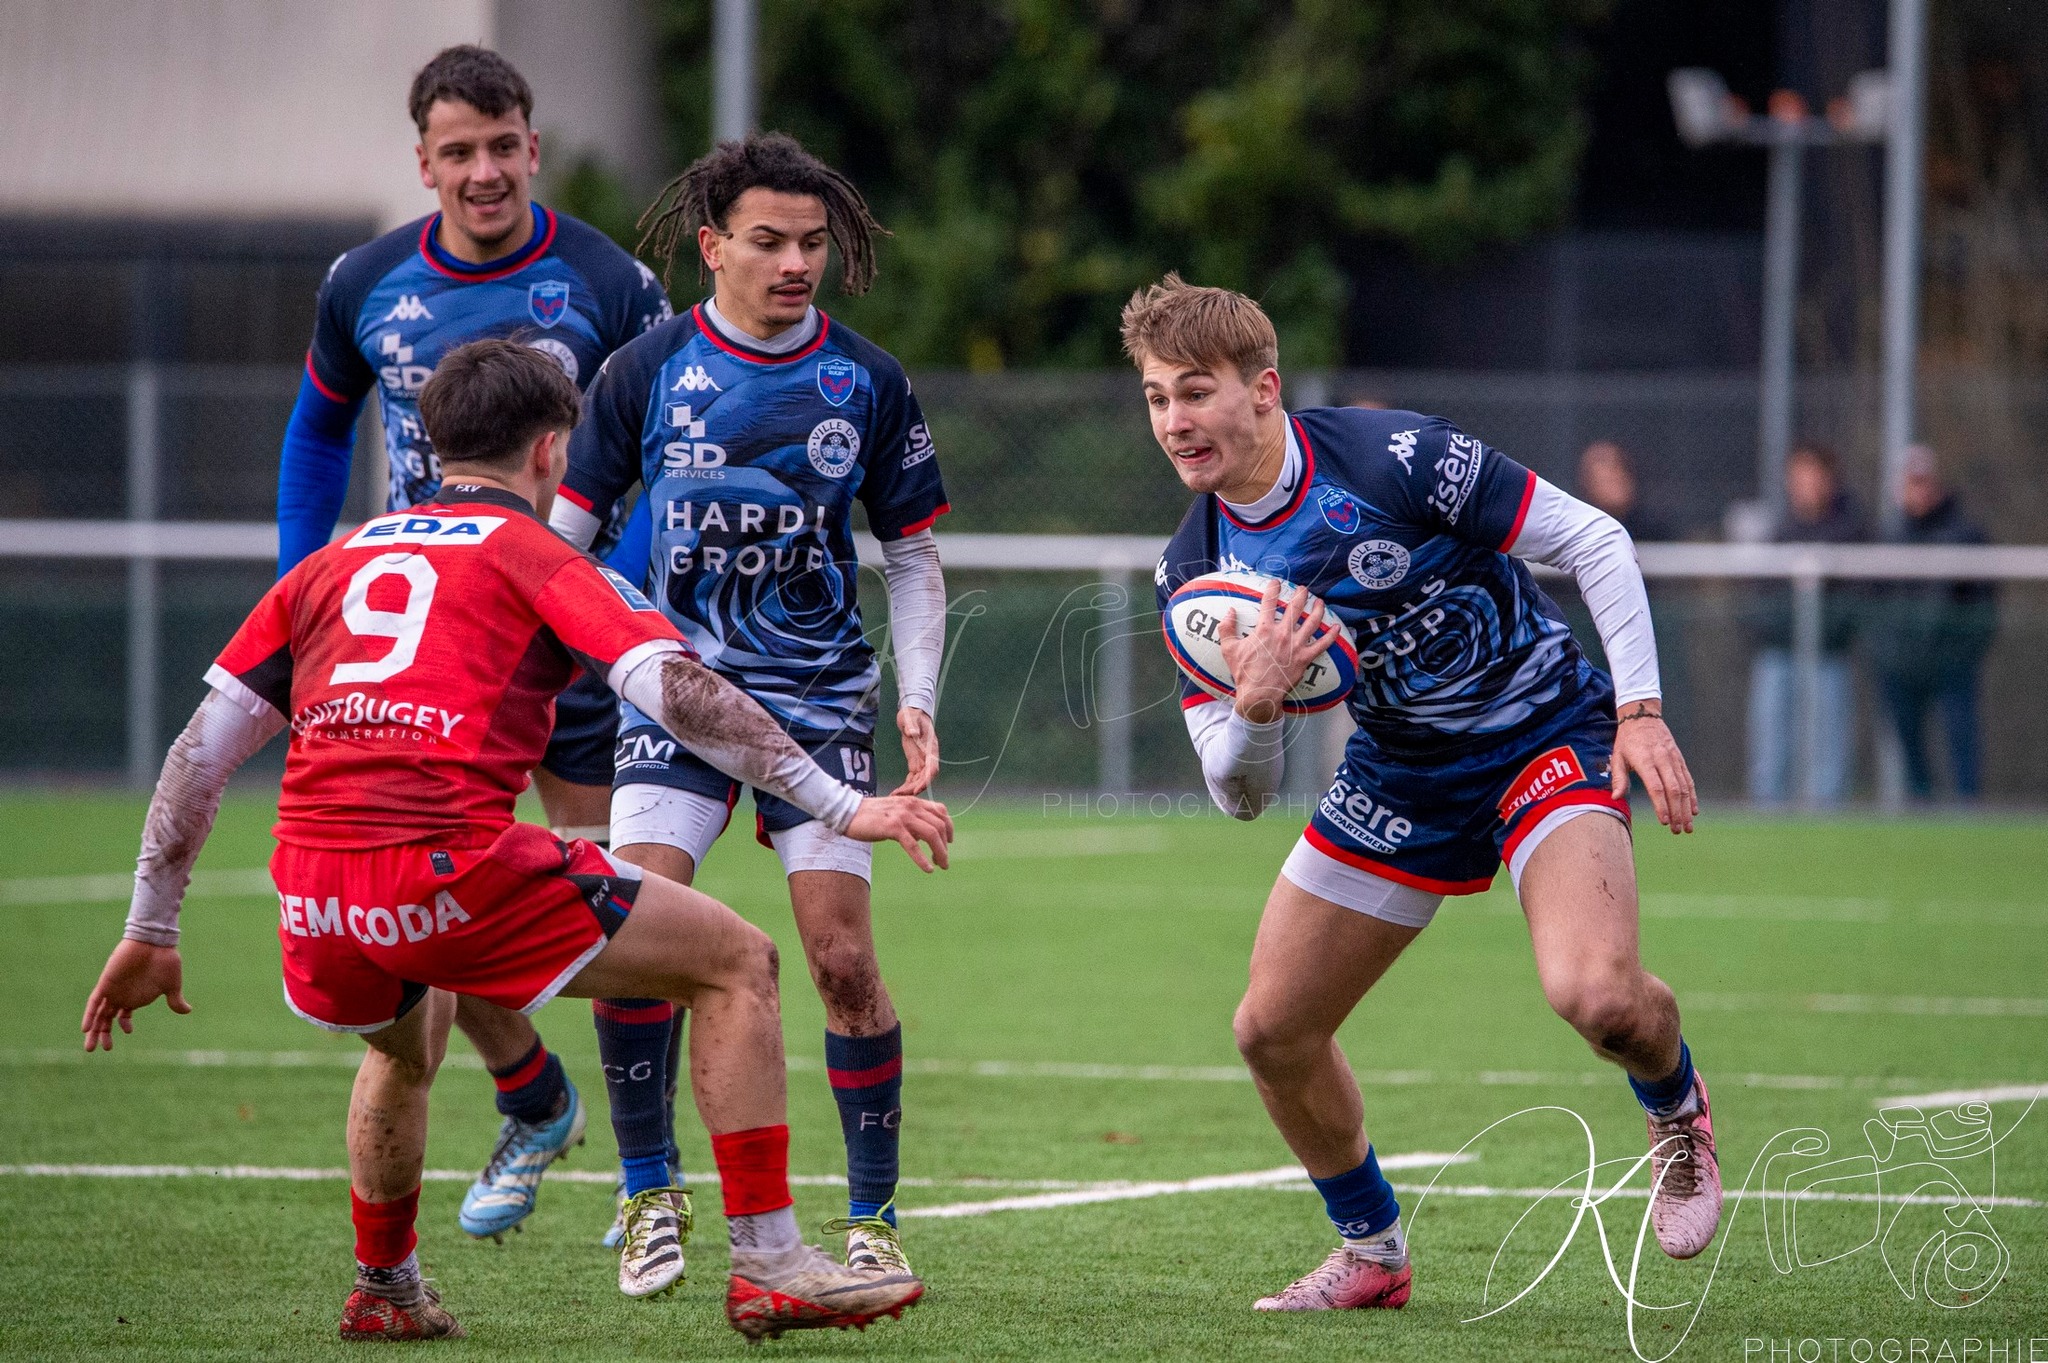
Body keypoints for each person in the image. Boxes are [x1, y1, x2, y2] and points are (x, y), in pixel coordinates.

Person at [82, 340, 945, 1342]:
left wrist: (152, 924)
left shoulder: (331, 563)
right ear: (551, 452)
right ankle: (768, 1261)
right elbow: (679, 690)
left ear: (430, 443)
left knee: (403, 1050)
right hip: (444, 869)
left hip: (313, 897)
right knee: (736, 964)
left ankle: (385, 1284)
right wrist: (839, 805)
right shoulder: (533, 554)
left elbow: (198, 754)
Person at [1128, 275, 1716, 1313]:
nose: (1174, 421)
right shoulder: (1195, 575)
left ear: (1262, 390)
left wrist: (1639, 709)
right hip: (1400, 770)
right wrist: (1256, 711)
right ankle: (1371, 1250)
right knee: (1270, 1028)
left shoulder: (1387, 457)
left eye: (1195, 392)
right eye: (1155, 398)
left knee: (1597, 999)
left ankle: (1674, 1105)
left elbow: (1594, 541)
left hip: (1541, 729)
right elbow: (1235, 794)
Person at [273, 45, 674, 1242]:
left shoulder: (607, 280)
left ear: (533, 146)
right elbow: (314, 435)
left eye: (504, 146)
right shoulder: (366, 280)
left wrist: (600, 583)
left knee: (623, 900)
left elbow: (658, 446)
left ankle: (645, 1177)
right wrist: (304, 595)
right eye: (459, 152)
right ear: (425, 161)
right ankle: (529, 1102)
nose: (484, 172)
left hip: (568, 630)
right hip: (426, 643)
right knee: (421, 904)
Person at [547, 132, 950, 1297]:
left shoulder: (866, 378)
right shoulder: (641, 371)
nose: (794, 263)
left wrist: (914, 696)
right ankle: (646, 1192)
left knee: (838, 959)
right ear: (711, 244)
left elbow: (912, 557)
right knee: (634, 935)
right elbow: (565, 549)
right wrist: (622, 649)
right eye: (767, 241)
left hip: (818, 697)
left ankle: (870, 1216)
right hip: (673, 699)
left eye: (812, 243)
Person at [1867, 445, 1997, 800]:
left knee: (1961, 740)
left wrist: (1963, 650)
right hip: (1900, 664)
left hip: (1951, 662)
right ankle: (1921, 812)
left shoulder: (1965, 535)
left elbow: (1985, 602)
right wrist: (1887, 651)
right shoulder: (1886, 536)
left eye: (1924, 483)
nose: (1918, 491)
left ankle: (1968, 811)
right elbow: (1870, 601)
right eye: (1911, 483)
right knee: (1910, 748)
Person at [1743, 442, 1869, 806]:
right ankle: (1768, 816)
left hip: (1828, 653)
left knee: (1828, 748)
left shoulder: (1851, 530)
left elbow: (1859, 597)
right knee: (1770, 744)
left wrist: (1828, 625)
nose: (1805, 483)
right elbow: (1759, 594)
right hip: (1778, 651)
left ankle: (1828, 820)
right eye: (1797, 475)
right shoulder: (1778, 530)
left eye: (1813, 474)